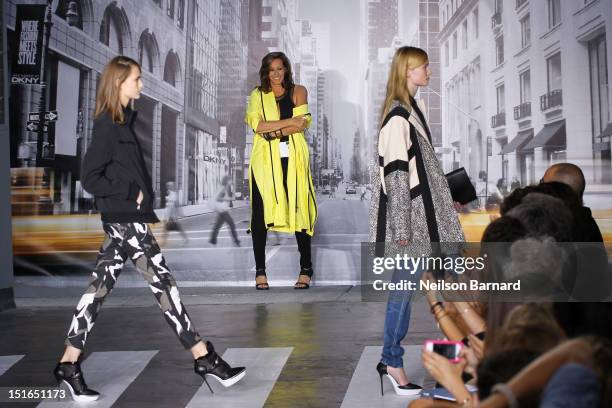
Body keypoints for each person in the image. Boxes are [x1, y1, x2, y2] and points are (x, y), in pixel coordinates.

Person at [54, 56, 245, 402]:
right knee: (163, 285)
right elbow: (90, 177)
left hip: (126, 219)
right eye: (136, 79)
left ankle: (69, 363)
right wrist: (131, 192)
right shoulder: (106, 126)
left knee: (98, 290)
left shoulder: (122, 122)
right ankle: (203, 356)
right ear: (119, 83)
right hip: (125, 218)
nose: (141, 84)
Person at [369, 46, 465, 395]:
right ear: (408, 71)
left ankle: (455, 364)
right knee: (406, 291)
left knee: (451, 289)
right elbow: (395, 176)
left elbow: (421, 171)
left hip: (433, 218)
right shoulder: (397, 118)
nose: (429, 71)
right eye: (424, 67)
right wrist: (402, 230)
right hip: (417, 223)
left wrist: (445, 196)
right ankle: (392, 360)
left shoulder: (412, 110)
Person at [245, 51, 318, 290]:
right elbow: (258, 126)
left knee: (300, 210)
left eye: (280, 68)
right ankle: (260, 272)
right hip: (264, 163)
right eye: (271, 70)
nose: (275, 74)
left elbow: (302, 124)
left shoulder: (299, 91)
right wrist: (287, 124)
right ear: (265, 72)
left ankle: (306, 269)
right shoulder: (257, 95)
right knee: (259, 215)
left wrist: (271, 131)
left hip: (294, 160)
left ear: (286, 69)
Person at [209, 175, 240, 246]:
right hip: (223, 211)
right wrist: (229, 199)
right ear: (227, 181)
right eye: (230, 180)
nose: (231, 181)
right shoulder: (223, 189)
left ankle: (212, 240)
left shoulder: (225, 188)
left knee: (217, 226)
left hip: (222, 210)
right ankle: (236, 241)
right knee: (231, 225)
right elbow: (218, 198)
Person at [159, 181, 189, 246]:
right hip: (168, 214)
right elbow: (167, 205)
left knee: (176, 228)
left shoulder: (174, 194)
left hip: (172, 215)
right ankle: (163, 241)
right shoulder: (167, 194)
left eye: (172, 185)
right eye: (170, 185)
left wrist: (180, 213)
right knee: (166, 228)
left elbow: (177, 205)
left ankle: (185, 239)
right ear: (168, 187)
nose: (172, 187)